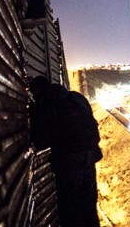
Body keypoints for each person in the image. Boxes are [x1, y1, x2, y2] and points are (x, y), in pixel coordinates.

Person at [28, 76, 102, 227]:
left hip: (68, 170)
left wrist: (35, 116)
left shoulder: (48, 108)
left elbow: (40, 142)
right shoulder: (76, 98)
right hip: (88, 164)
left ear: (38, 92)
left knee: (71, 216)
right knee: (89, 212)